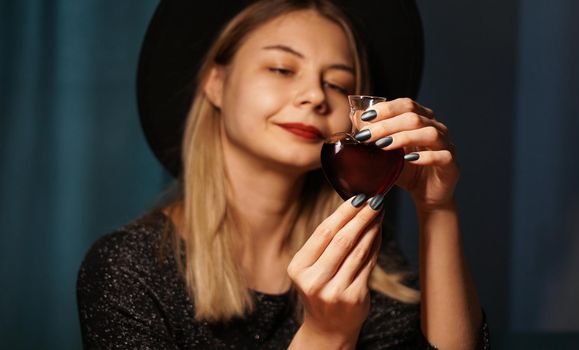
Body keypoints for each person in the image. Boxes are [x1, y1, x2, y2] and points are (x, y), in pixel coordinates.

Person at [77, 0, 489, 348]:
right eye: (281, 69)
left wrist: (437, 209)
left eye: (338, 83)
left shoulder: (369, 260)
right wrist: (326, 335)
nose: (314, 95)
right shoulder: (127, 268)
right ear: (216, 83)